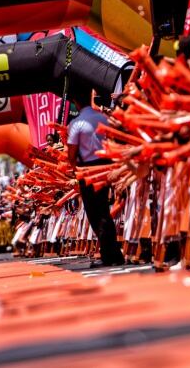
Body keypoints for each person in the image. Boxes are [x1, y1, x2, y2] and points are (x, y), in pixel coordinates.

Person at [66, 93, 125, 267]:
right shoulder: (102, 117)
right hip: (106, 164)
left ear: (76, 103)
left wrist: (76, 170)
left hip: (89, 169)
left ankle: (110, 254)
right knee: (104, 211)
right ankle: (113, 253)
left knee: (95, 213)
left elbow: (71, 153)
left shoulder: (76, 124)